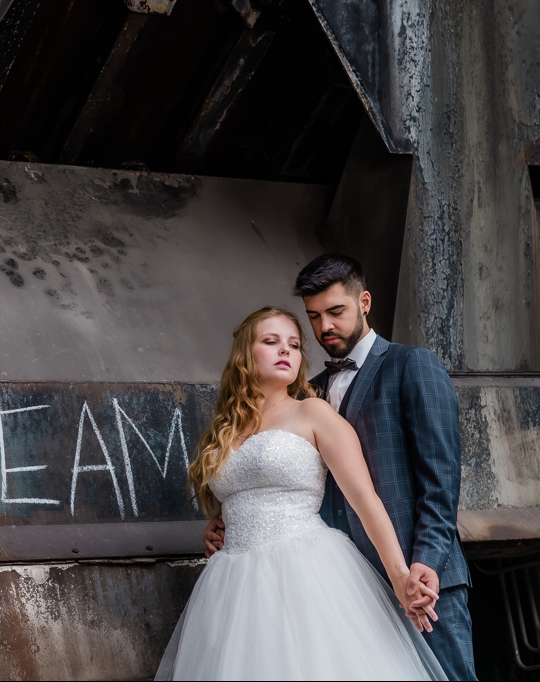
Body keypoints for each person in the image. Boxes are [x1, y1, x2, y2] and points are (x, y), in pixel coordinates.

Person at [204, 255, 477, 680]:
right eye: (314, 317)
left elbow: (440, 481)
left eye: (335, 312)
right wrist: (231, 518)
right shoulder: (307, 391)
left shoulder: (411, 364)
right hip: (336, 584)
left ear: (364, 302)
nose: (324, 327)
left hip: (420, 574)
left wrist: (425, 560)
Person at [156, 306, 446, 681]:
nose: (285, 351)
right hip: (232, 583)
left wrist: (399, 575)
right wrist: (221, 521)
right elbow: (242, 490)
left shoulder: (313, 412)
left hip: (301, 571)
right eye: (271, 341)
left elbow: (365, 499)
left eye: (293, 345)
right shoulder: (224, 430)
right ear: (245, 354)